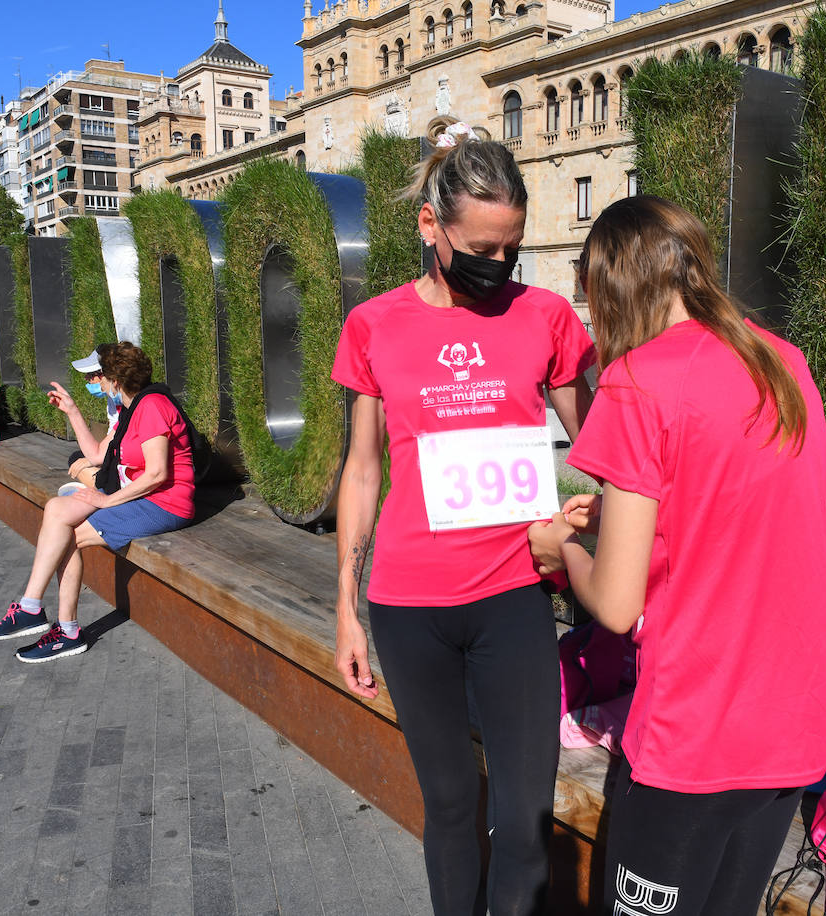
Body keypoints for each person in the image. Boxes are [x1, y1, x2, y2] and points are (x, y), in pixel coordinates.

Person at [527, 196, 826, 916]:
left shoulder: (637, 382)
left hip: (701, 730)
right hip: (798, 719)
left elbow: (614, 606)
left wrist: (563, 549)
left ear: (611, 287)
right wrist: (635, 520)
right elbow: (749, 513)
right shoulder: (783, 361)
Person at [331, 122, 595, 916]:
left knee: (523, 816)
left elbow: (604, 443)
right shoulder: (374, 324)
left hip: (515, 594)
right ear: (430, 228)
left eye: (510, 249)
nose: (497, 266)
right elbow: (364, 467)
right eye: (480, 249)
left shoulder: (546, 316)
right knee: (449, 807)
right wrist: (346, 603)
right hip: (409, 606)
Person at [0, 342, 197, 662]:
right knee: (56, 509)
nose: (95, 383)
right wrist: (72, 411)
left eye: (99, 377)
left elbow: (158, 474)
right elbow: (97, 455)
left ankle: (65, 630)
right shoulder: (129, 409)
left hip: (165, 503)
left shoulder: (151, 407)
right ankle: (32, 609)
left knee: (71, 538)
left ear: (115, 380)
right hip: (138, 494)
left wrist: (108, 502)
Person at [58, 345, 122, 496]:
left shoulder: (127, 404)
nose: (87, 379)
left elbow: (116, 440)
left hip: (128, 465)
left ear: (108, 375)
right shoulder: (114, 398)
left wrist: (94, 460)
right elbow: (112, 438)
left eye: (91, 374)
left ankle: (102, 490)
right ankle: (100, 485)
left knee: (83, 461)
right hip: (119, 456)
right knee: (78, 458)